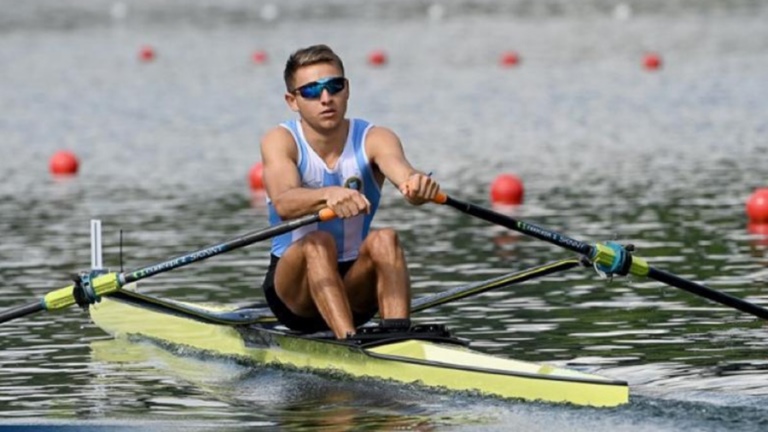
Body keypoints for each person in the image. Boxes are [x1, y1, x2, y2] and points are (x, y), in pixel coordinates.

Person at [259, 44, 440, 339]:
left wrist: (417, 185)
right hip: (296, 295)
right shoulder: (281, 140)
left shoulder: (375, 137)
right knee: (318, 241)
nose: (326, 98)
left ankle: (398, 339)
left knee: (386, 238)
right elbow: (284, 203)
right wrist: (328, 193)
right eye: (311, 91)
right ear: (292, 100)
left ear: (347, 89)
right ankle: (349, 340)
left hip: (355, 287)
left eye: (334, 86)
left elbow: (404, 174)